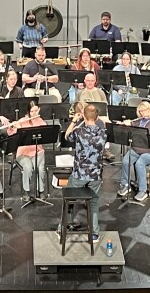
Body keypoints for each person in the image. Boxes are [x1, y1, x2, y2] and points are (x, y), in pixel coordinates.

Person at [57, 104, 107, 243]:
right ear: (97, 117)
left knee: (68, 201)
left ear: (84, 116)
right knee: (94, 204)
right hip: (95, 175)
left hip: (79, 175)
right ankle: (95, 234)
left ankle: (62, 229)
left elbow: (67, 136)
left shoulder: (79, 131)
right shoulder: (103, 132)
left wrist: (74, 121)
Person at [117, 101, 150, 202]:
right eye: (140, 111)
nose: (142, 113)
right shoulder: (138, 121)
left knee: (140, 163)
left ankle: (143, 190)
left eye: (145, 110)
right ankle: (125, 184)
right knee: (125, 161)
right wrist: (123, 125)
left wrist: (131, 126)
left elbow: (144, 133)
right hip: (137, 148)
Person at [6, 101, 48, 201]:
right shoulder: (22, 121)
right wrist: (12, 127)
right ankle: (26, 191)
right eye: (32, 111)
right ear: (28, 111)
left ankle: (41, 191)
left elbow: (46, 134)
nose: (34, 113)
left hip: (37, 152)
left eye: (36, 111)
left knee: (40, 168)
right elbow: (10, 134)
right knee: (27, 167)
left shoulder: (41, 122)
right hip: (23, 153)